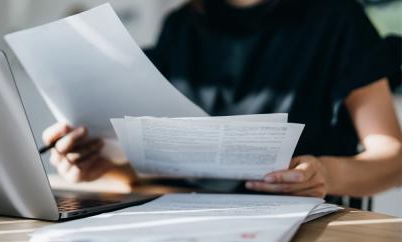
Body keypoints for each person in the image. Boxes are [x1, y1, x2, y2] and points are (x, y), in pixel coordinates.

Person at [42, 0, 402, 201]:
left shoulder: (338, 20)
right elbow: (170, 163)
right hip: (185, 220)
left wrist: (326, 172)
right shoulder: (181, 26)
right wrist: (103, 165)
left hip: (301, 226)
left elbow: (393, 159)